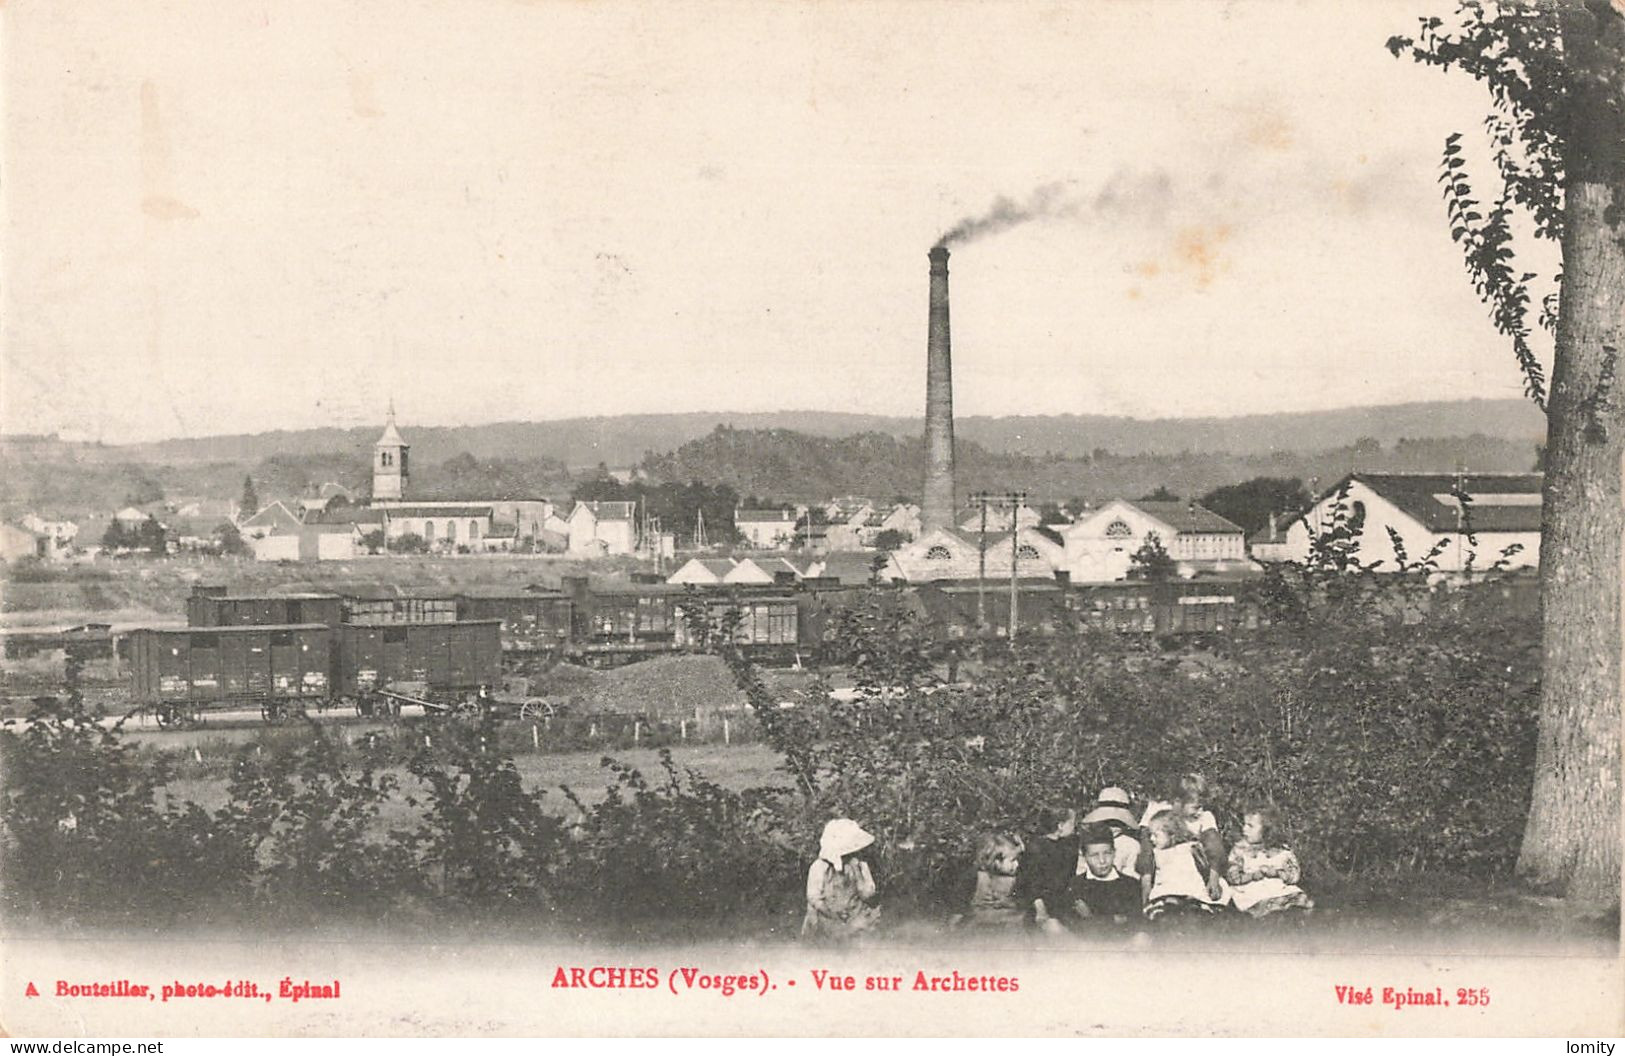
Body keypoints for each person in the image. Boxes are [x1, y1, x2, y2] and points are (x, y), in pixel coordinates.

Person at [1226, 806, 1314, 919]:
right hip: (1253, 891)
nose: (1244, 829)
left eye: (1250, 826)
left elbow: (1294, 875)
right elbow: (1233, 877)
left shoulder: (1281, 851)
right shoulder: (1239, 851)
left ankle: (1293, 917)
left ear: (1266, 830)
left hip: (1278, 889)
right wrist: (1252, 876)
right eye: (1244, 824)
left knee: (1298, 899)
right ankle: (1274, 916)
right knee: (1266, 906)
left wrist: (1277, 873)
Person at [1140, 809, 1227, 922]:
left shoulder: (1190, 848)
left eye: (1156, 835)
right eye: (1150, 835)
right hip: (1166, 891)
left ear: (1172, 834)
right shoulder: (1156, 853)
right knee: (1165, 910)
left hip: (1191, 891)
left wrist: (1213, 883)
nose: (1151, 839)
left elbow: (1204, 867)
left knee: (1195, 911)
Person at [1137, 773, 1226, 882]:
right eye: (1196, 807)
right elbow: (1146, 850)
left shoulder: (1204, 818)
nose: (1200, 811)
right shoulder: (1161, 816)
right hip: (1163, 873)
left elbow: (1215, 850)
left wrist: (1213, 878)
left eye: (1202, 807)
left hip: (1193, 875)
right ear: (1178, 802)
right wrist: (1146, 880)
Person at [803, 818, 880, 942]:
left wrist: (857, 871)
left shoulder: (861, 865)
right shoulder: (820, 867)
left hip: (854, 918)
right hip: (824, 918)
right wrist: (833, 915)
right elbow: (814, 897)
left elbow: (868, 895)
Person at [1015, 806, 1079, 930]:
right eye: (1072, 823)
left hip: (1059, 903)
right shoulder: (1037, 848)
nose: (1074, 826)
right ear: (1060, 825)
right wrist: (1040, 909)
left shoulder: (1065, 845)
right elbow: (1031, 882)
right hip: (1041, 907)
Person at [1071, 823, 1142, 927]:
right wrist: (1113, 919)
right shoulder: (1076, 885)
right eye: (1094, 855)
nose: (1102, 861)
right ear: (1084, 856)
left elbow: (1134, 922)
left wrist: (1090, 917)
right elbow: (1074, 925)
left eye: (1107, 853)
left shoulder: (1130, 884)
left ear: (1114, 853)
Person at [958, 831, 1026, 929]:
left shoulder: (1015, 880)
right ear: (996, 861)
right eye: (1013, 860)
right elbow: (962, 900)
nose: (1017, 864)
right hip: (981, 921)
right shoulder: (977, 877)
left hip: (1008, 921)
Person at [1081, 786, 1142, 879]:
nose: (1112, 827)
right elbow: (1082, 869)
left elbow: (1130, 873)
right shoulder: (1090, 842)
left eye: (1117, 823)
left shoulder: (1131, 845)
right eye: (1107, 822)